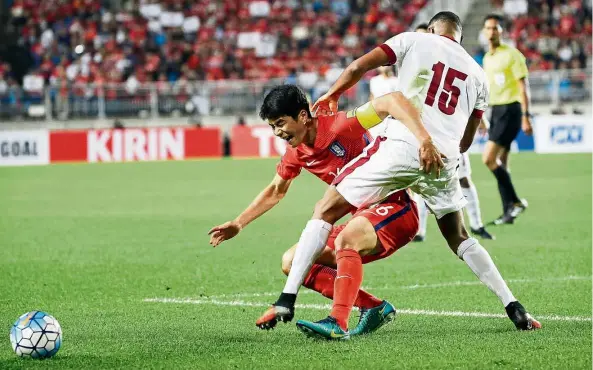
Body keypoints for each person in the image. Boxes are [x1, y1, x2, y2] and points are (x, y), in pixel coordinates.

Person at [257, 11, 540, 339]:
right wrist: (440, 147)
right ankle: (514, 306)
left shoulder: (414, 39)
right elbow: (466, 139)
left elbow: (358, 67)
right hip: (444, 160)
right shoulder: (478, 74)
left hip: (404, 145)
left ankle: (287, 299)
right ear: (460, 37)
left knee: (325, 210)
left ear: (433, 28)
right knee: (460, 238)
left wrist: (333, 93)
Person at [209, 85, 419, 336]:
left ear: (302, 116)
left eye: (280, 123)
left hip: (395, 210)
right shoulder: (296, 152)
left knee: (345, 239)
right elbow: (277, 190)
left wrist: (423, 138)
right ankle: (372, 307)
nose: (278, 132)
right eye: (272, 127)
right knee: (291, 261)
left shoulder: (340, 126)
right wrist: (239, 223)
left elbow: (386, 106)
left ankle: (337, 322)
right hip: (361, 219)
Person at [412, 23, 494, 241]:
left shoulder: (446, 60)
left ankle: (476, 224)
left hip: (450, 134)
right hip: (422, 135)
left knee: (464, 179)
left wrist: (481, 118)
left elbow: (461, 93)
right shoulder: (413, 64)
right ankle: (420, 230)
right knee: (419, 180)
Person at [482, 14, 532, 225]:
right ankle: (508, 211)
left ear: (502, 31)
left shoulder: (513, 55)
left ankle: (515, 202)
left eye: (495, 28)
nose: (492, 32)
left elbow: (523, 86)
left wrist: (526, 116)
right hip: (495, 110)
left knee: (489, 159)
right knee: (501, 162)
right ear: (484, 32)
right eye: (488, 28)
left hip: (510, 110)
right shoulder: (487, 58)